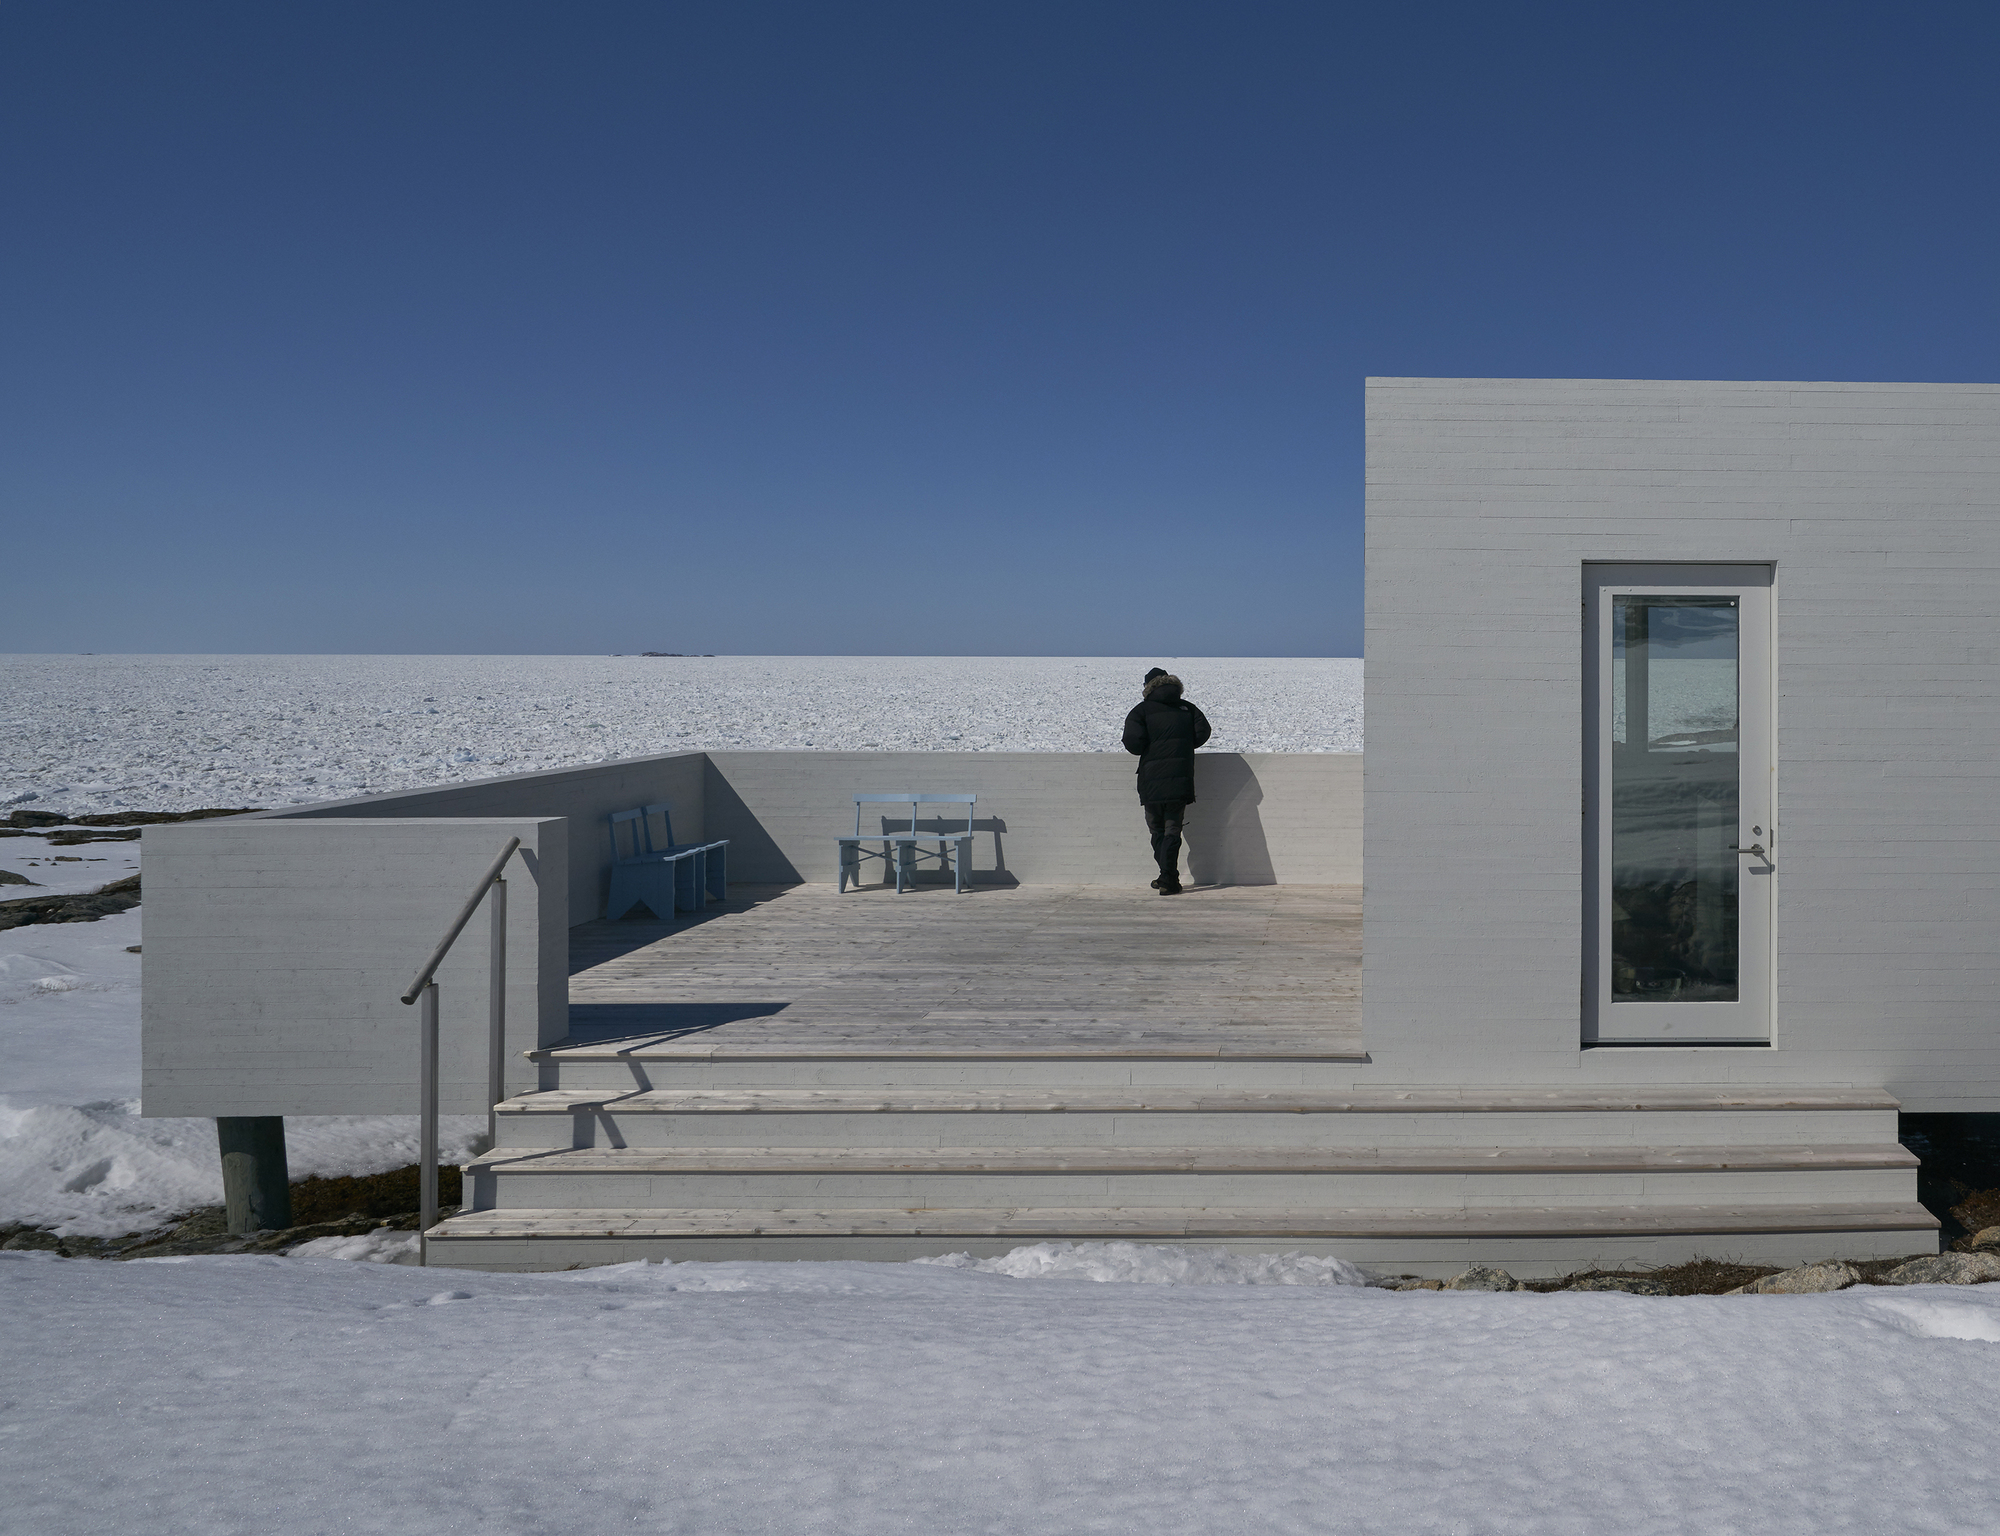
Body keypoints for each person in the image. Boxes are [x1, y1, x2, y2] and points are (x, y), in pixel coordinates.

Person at [1121, 666, 1211, 895]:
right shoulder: (1188, 709)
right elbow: (1202, 733)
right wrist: (1180, 744)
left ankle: (1167, 878)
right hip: (1180, 778)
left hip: (1151, 781)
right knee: (1172, 829)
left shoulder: (1141, 711)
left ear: (1148, 687)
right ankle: (1167, 878)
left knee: (1157, 830)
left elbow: (1133, 744)